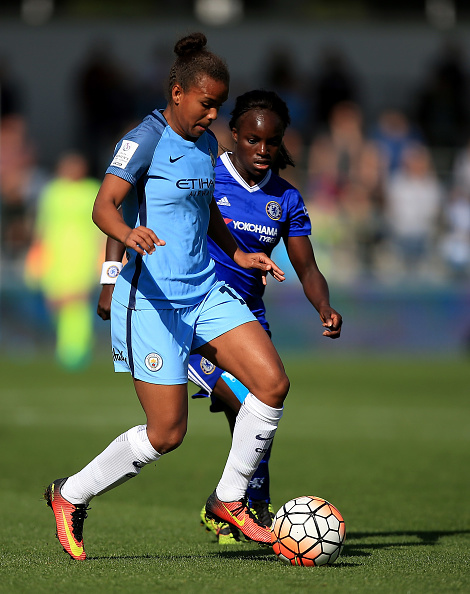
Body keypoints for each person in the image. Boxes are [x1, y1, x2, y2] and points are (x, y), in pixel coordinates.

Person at [44, 32, 291, 561]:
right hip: (151, 302)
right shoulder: (144, 139)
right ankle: (70, 495)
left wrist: (241, 252)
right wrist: (124, 240)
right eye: (207, 105)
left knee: (271, 385)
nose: (213, 116)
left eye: (219, 107)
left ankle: (230, 501)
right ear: (178, 93)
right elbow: (104, 204)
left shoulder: (206, 144)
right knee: (168, 432)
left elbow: (208, 211)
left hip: (204, 290)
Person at [97, 89, 343, 544]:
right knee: (235, 399)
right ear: (236, 135)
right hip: (188, 309)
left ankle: (249, 506)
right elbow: (128, 210)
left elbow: (307, 267)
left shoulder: (286, 199)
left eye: (272, 141)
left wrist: (323, 306)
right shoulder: (204, 164)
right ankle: (236, 504)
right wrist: (110, 279)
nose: (263, 149)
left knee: (262, 402)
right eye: (253, 139)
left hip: (243, 314)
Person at [25, 152, 102, 369]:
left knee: (77, 303)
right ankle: (66, 344)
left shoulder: (91, 191)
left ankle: (75, 351)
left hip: (82, 254)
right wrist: (36, 254)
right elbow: (42, 225)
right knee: (57, 303)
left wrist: (101, 255)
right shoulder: (52, 192)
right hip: (56, 255)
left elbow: (101, 228)